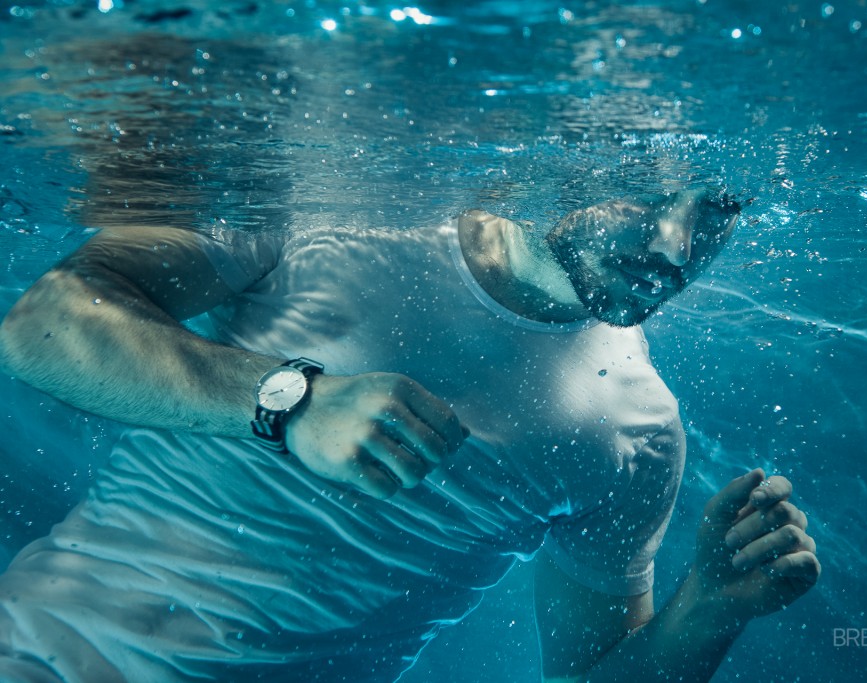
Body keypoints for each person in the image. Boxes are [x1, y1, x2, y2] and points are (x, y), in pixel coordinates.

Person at [0, 188, 820, 682]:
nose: (676, 245)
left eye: (715, 211)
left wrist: (707, 609)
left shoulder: (640, 430)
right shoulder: (333, 211)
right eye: (648, 193)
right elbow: (41, 326)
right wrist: (290, 402)